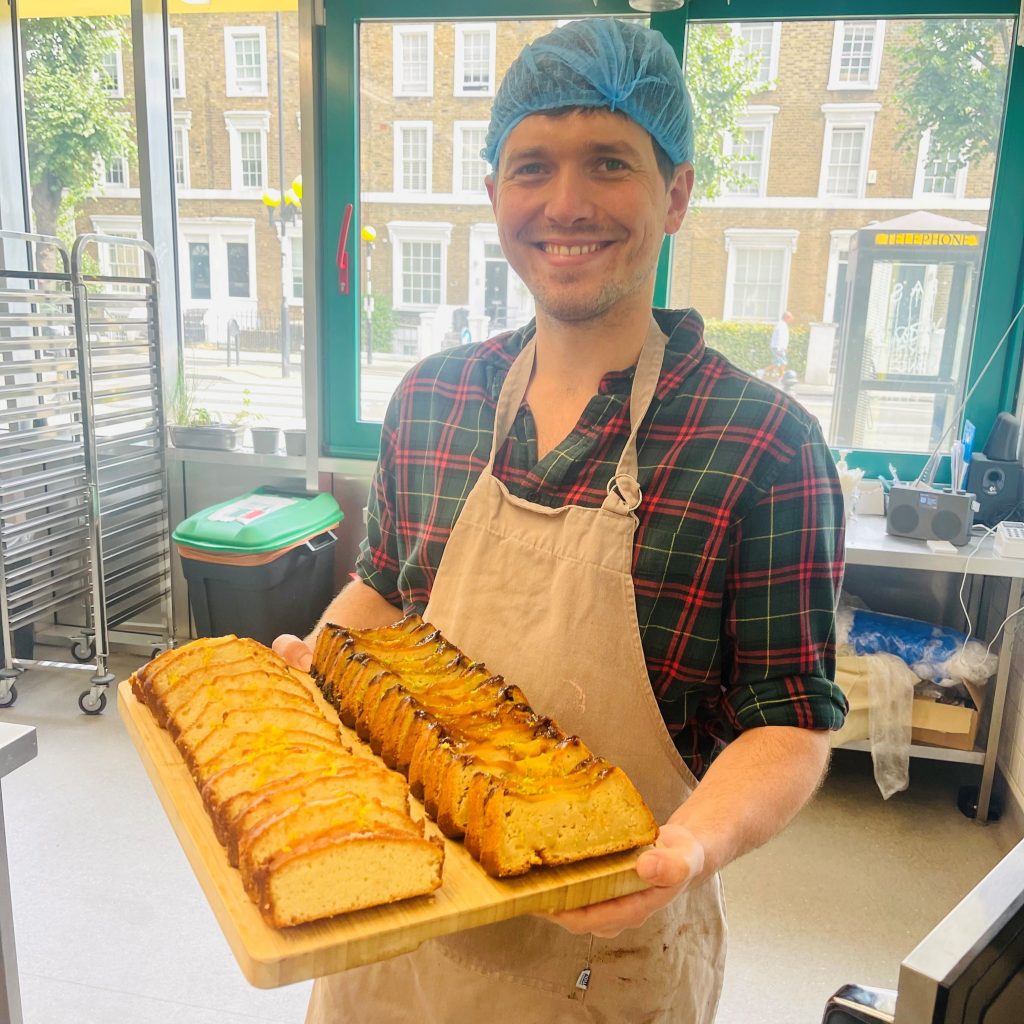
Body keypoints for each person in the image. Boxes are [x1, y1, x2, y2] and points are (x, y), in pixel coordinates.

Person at [274, 18, 846, 1024]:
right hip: (396, 935)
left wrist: (688, 849)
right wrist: (312, 672)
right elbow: (387, 585)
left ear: (675, 193)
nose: (566, 203)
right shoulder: (434, 399)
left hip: (602, 959)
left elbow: (787, 718)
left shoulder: (763, 446)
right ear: (494, 192)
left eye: (609, 163)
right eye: (531, 164)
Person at [770, 309, 795, 375]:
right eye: (790, 317)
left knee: (777, 363)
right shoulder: (781, 325)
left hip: (778, 347)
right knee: (783, 363)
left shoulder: (783, 324)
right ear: (786, 317)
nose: (791, 319)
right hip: (778, 348)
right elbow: (780, 337)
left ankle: (761, 372)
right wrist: (781, 348)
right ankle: (780, 379)